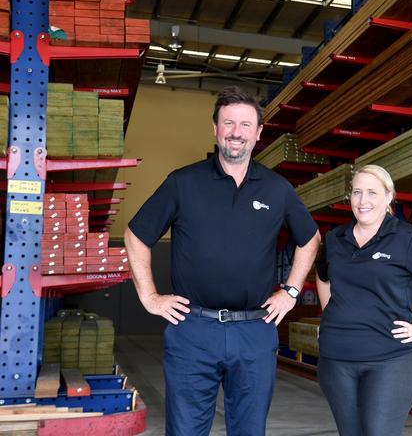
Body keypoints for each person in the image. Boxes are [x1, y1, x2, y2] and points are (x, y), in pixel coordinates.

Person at [124, 86, 320, 436]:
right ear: (214, 128)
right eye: (228, 123)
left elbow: (311, 239)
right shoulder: (183, 183)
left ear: (258, 133)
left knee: (249, 430)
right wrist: (149, 297)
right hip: (193, 329)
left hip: (254, 330)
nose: (236, 132)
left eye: (245, 125)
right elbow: (137, 235)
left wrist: (290, 292)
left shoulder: (277, 189)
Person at [316, 164, 412, 436]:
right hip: (336, 359)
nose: (363, 201)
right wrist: (332, 314)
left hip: (389, 359)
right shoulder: (336, 238)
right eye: (357, 192)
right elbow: (323, 277)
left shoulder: (407, 239)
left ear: (389, 197)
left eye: (372, 193)